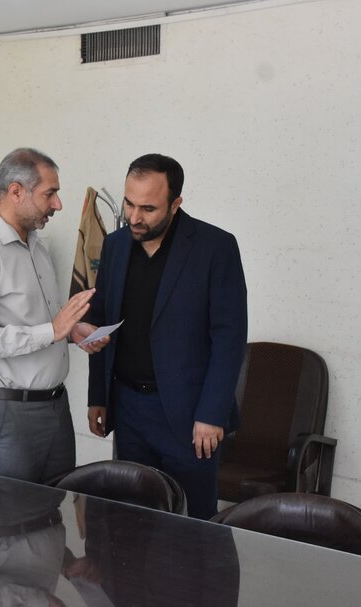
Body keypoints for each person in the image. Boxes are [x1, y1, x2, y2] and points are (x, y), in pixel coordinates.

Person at [85, 153, 247, 519]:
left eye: (148, 208)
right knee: (132, 516)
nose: (134, 217)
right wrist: (99, 396)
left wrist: (212, 414)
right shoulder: (115, 245)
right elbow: (101, 322)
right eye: (129, 203)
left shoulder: (215, 247)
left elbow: (229, 339)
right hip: (128, 408)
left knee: (195, 522)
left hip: (190, 415)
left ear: (175, 204)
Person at [0, 148, 107, 485]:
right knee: (7, 513)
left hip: (55, 408)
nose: (58, 204)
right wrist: (52, 330)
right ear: (16, 191)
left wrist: (72, 330)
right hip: (7, 414)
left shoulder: (37, 245)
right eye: (50, 193)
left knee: (55, 508)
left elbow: (39, 320)